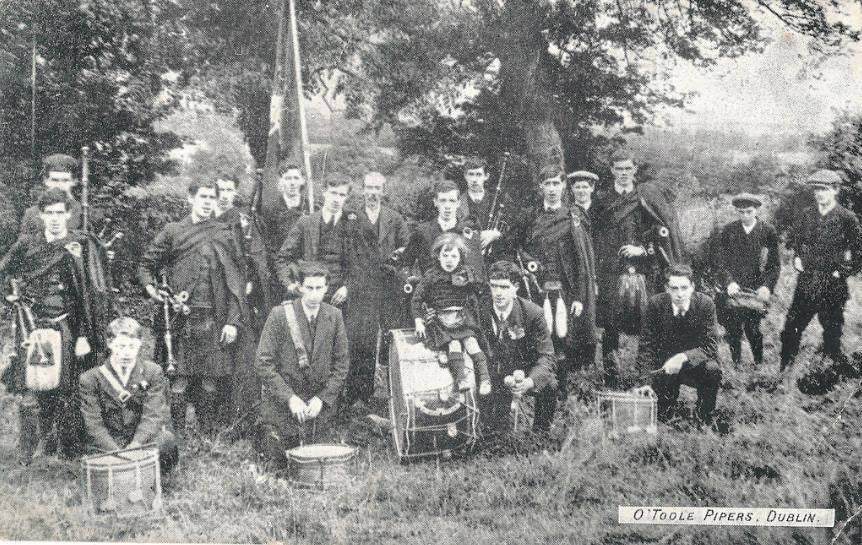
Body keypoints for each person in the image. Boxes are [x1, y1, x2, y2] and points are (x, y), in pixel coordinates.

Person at [0, 189, 111, 459]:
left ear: (68, 214)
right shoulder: (27, 245)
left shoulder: (79, 246)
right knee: (32, 387)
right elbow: (4, 272)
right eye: (48, 213)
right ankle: (29, 450)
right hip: (32, 327)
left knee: (66, 388)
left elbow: (89, 294)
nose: (54, 219)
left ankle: (64, 448)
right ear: (41, 215)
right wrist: (10, 295)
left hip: (66, 327)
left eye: (59, 213)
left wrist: (84, 334)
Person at [138, 181, 247, 436]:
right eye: (203, 197)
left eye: (212, 197)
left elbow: (236, 281)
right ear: (191, 199)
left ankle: (207, 434)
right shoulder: (173, 231)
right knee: (179, 379)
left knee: (210, 379)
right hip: (180, 316)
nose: (208, 202)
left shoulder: (224, 233)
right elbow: (146, 265)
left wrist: (232, 320)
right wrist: (152, 289)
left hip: (214, 316)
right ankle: (178, 435)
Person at [276, 174, 375, 409]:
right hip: (310, 297)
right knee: (312, 349)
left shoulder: (355, 223)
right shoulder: (306, 223)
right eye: (333, 193)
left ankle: (344, 403)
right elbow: (282, 258)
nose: (337, 199)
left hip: (343, 298)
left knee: (346, 348)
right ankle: (311, 399)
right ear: (323, 193)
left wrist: (348, 287)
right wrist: (291, 285)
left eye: (342, 194)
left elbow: (365, 263)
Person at [592, 149, 684, 387]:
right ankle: (611, 378)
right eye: (619, 169)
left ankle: (646, 377)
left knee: (648, 326)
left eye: (628, 169)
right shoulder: (601, 200)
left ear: (635, 170)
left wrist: (643, 249)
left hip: (644, 272)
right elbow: (593, 236)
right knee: (611, 327)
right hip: (610, 272)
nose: (623, 173)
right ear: (612, 170)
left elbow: (661, 234)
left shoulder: (645, 198)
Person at [508, 166, 597, 399]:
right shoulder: (530, 217)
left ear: (563, 186)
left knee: (563, 340)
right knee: (536, 336)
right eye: (547, 184)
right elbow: (515, 248)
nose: (552, 189)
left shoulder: (574, 216)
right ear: (541, 187)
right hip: (536, 289)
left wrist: (579, 296)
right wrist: (527, 264)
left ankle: (561, 390)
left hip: (565, 290)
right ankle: (535, 386)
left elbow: (582, 261)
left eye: (556, 184)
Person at [253, 262, 350, 468]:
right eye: (309, 288)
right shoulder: (280, 315)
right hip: (284, 403)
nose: (315, 295)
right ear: (300, 288)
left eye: (320, 288)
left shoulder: (335, 316)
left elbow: (342, 366)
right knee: (277, 459)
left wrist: (322, 400)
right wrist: (289, 398)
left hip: (317, 405)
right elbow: (263, 363)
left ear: (326, 288)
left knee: (321, 459)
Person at [780, 170, 862, 378]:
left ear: (835, 191)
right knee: (792, 326)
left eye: (824, 189)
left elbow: (859, 251)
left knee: (832, 330)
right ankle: (785, 369)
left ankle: (829, 371)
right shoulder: (807, 215)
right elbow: (796, 240)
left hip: (833, 285)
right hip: (807, 282)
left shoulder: (847, 218)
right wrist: (797, 257)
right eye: (816, 189)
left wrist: (841, 272)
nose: (819, 194)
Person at [79, 317, 178, 472]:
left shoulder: (152, 372)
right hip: (109, 442)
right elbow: (93, 423)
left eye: (132, 346)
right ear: (110, 343)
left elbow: (153, 415)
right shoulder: (90, 379)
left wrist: (135, 446)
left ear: (140, 344)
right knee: (94, 458)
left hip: (140, 440)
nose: (126, 353)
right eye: (121, 346)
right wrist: (116, 452)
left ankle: (150, 476)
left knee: (166, 441)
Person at [213, 174, 273, 431]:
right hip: (214, 294)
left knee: (243, 357)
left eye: (229, 189)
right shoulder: (208, 220)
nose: (225, 194)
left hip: (239, 297)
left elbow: (257, 258)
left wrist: (253, 283)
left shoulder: (243, 221)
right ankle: (215, 414)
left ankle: (242, 416)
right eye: (221, 189)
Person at [634, 264, 722, 425]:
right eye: (674, 288)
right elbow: (646, 347)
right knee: (661, 418)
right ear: (667, 288)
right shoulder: (655, 305)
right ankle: (667, 410)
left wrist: (683, 357)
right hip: (666, 367)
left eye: (684, 288)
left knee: (712, 370)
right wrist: (645, 382)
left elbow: (710, 346)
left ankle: (704, 417)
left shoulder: (705, 304)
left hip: (695, 366)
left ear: (692, 287)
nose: (680, 294)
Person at [478, 260, 557, 433]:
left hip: (522, 371)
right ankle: (485, 430)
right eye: (494, 286)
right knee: (494, 431)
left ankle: (540, 435)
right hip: (491, 372)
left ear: (516, 288)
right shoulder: (480, 311)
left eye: (504, 287)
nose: (498, 293)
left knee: (550, 384)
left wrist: (529, 382)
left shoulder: (533, 313)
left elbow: (547, 356)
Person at [353, 172, 411, 404]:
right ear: (363, 189)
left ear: (383, 191)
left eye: (377, 188)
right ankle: (362, 394)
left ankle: (392, 393)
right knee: (363, 339)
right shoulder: (352, 218)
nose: (373, 193)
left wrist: (395, 261)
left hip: (389, 287)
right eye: (369, 187)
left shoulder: (394, 219)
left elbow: (407, 248)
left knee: (390, 337)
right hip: (363, 288)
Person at [412, 233, 491, 395]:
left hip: (463, 318)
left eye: (454, 256)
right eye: (445, 255)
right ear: (438, 256)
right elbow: (416, 299)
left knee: (472, 343)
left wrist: (473, 281)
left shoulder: (466, 273)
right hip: (441, 321)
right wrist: (418, 320)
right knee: (454, 344)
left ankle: (485, 379)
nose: (449, 260)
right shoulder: (431, 276)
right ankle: (460, 379)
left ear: (460, 257)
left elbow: (482, 290)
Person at [715, 193, 780, 366]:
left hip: (755, 290)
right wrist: (729, 282)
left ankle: (758, 362)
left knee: (753, 328)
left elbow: (774, 265)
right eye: (741, 212)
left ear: (757, 210)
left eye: (749, 212)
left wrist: (766, 286)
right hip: (734, 288)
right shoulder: (729, 230)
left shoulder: (768, 231)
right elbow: (721, 262)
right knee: (733, 328)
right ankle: (736, 363)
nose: (745, 216)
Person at [402, 180, 486, 279]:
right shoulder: (422, 232)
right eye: (443, 200)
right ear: (435, 202)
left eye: (452, 201)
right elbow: (405, 264)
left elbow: (478, 271)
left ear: (458, 203)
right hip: (430, 289)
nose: (447, 206)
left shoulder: (467, 232)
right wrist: (411, 280)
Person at [260, 163, 307, 297]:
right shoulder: (270, 210)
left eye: (296, 178)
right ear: (281, 181)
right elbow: (269, 247)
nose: (292, 183)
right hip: (279, 272)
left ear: (302, 180)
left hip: (306, 271)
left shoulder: (310, 206)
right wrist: (283, 276)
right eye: (288, 178)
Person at [19, 154, 84, 235]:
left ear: (74, 181)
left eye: (65, 180)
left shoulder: (83, 213)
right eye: (55, 180)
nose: (60, 185)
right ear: (46, 181)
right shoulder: (32, 214)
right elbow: (24, 244)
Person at [457, 158, 503, 251]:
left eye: (478, 174)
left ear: (486, 176)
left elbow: (509, 231)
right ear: (465, 176)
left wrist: (496, 234)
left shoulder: (495, 200)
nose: (474, 179)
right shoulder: (457, 202)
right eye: (471, 174)